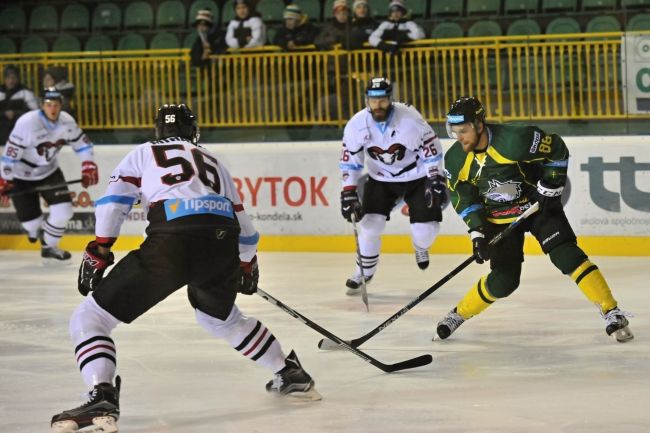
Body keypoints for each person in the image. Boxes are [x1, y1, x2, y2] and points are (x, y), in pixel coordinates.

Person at [50, 104, 320, 433]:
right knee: (219, 317)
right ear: (194, 130)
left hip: (172, 242)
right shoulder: (215, 161)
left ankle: (101, 394)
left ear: (157, 130)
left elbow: (114, 202)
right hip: (221, 241)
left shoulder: (144, 151)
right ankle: (289, 373)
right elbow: (245, 226)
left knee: (89, 318)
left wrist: (100, 249)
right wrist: (247, 263)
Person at [436, 96, 634, 343]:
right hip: (498, 218)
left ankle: (611, 310)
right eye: (454, 132)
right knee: (504, 281)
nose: (459, 137)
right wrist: (477, 233)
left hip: (536, 206)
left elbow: (557, 149)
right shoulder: (455, 159)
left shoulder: (516, 140)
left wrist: (552, 182)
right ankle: (458, 314)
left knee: (566, 254)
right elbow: (464, 198)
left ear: (478, 125)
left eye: (463, 130)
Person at [338, 77, 445, 295]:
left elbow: (432, 150)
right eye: (373, 100)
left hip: (417, 177)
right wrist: (348, 190)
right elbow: (350, 160)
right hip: (381, 180)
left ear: (390, 99)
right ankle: (363, 272)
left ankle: (420, 247)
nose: (378, 105)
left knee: (424, 232)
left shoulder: (410, 119)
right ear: (367, 100)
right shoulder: (356, 125)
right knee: (369, 225)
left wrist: (435, 179)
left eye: (383, 100)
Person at [0, 88, 99, 261]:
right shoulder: (27, 122)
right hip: (21, 176)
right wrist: (5, 179)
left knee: (64, 211)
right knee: (31, 225)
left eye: (56, 104)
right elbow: (10, 155)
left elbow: (82, 145)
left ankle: (49, 247)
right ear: (42, 105)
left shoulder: (67, 121)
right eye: (48, 105)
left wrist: (88, 165)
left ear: (61, 105)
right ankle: (34, 231)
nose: (52, 109)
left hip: (49, 172)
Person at [0, 65, 39, 145]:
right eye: (8, 78)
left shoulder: (26, 92)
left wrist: (15, 113)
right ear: (4, 79)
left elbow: (35, 113)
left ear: (18, 78)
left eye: (14, 78)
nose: (11, 80)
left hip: (19, 131)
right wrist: (4, 114)